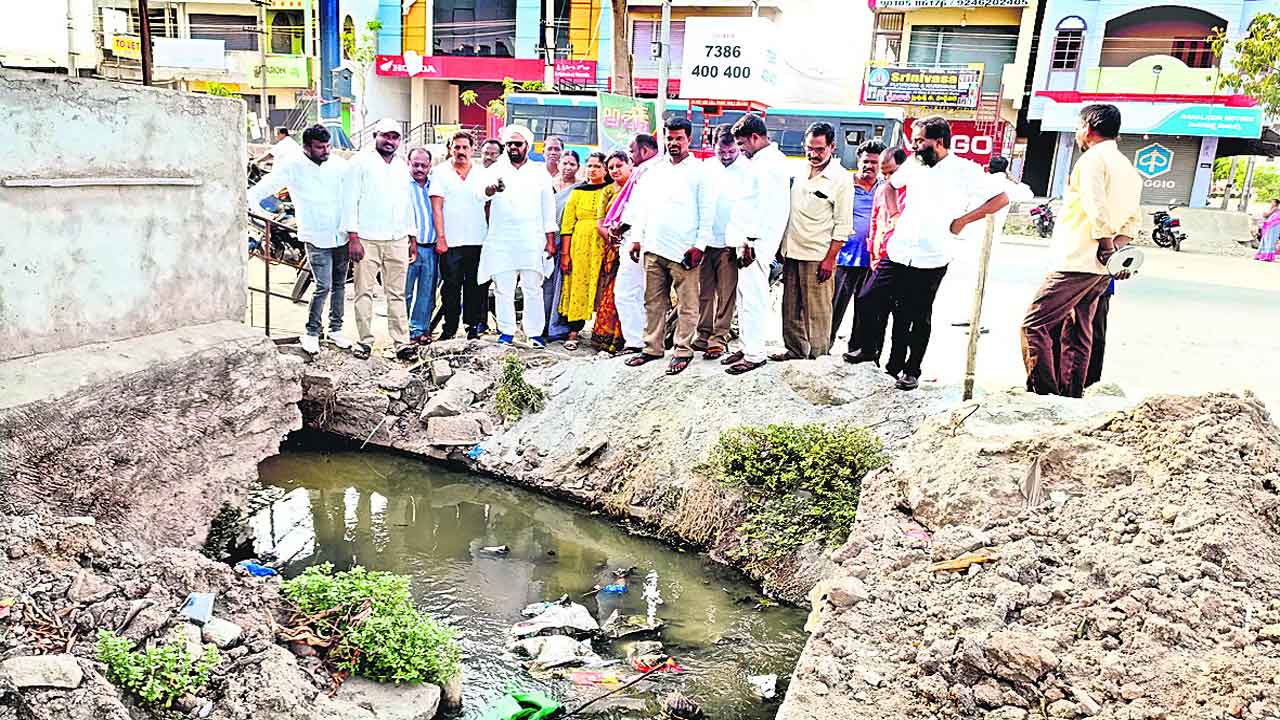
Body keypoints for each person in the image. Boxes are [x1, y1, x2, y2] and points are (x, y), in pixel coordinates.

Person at [846, 116, 1009, 391]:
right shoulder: (914, 164)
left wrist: (964, 220)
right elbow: (889, 186)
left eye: (920, 141)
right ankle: (868, 350)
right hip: (899, 251)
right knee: (868, 298)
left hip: (933, 255)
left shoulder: (965, 171)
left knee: (917, 316)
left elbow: (1001, 198)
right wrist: (894, 213)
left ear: (939, 142)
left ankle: (911, 371)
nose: (915, 146)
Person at [1020, 104, 1140, 398]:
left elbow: (1095, 205)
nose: (1077, 132)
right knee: (1078, 331)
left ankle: (1044, 394)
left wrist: (1105, 244)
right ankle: (1070, 395)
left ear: (1088, 127)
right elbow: (1134, 218)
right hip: (1101, 267)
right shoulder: (1128, 168)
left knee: (1034, 325)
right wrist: (1115, 250)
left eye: (1078, 126)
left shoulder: (1092, 161)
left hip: (1078, 259)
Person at [247, 124, 351, 355]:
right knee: (322, 286)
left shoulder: (340, 165)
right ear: (306, 147)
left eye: (328, 146)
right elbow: (257, 192)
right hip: (315, 236)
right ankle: (311, 332)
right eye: (319, 147)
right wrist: (264, 215)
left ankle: (336, 330)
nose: (325, 151)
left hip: (341, 235)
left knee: (339, 286)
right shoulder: (292, 167)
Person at [623, 117, 714, 375]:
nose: (673, 143)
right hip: (653, 245)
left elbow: (707, 212)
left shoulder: (700, 171)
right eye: (669, 138)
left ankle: (683, 349)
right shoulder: (656, 170)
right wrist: (637, 239)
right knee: (652, 301)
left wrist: (699, 246)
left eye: (679, 138)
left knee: (687, 302)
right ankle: (652, 347)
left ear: (689, 140)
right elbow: (643, 207)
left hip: (684, 249)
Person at [772, 122, 854, 362]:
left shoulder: (840, 179)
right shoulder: (798, 171)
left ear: (831, 147)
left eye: (819, 149)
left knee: (818, 312)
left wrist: (830, 259)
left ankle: (820, 358)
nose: (813, 154)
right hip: (791, 251)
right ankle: (795, 351)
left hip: (818, 256)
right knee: (790, 308)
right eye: (810, 148)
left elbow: (843, 225)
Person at [722, 113, 793, 375]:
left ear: (755, 138)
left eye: (742, 145)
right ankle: (746, 345)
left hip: (756, 241)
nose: (740, 151)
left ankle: (755, 354)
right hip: (747, 240)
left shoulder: (771, 164)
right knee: (744, 295)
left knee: (753, 297)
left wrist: (750, 240)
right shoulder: (762, 161)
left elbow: (767, 207)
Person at [476, 125, 557, 346]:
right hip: (502, 238)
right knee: (504, 287)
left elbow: (548, 207)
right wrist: (491, 189)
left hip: (532, 238)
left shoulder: (539, 172)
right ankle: (506, 331)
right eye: (509, 143)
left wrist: (550, 240)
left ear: (527, 146)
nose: (513, 147)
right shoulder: (495, 169)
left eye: (518, 143)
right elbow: (480, 194)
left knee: (532, 287)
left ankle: (533, 334)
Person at [343, 118, 417, 360]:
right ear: (375, 135)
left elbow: (406, 204)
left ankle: (401, 343)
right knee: (364, 292)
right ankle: (364, 341)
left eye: (395, 137)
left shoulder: (400, 166)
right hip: (367, 238)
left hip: (397, 238)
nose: (390, 141)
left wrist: (411, 236)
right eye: (386, 136)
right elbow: (349, 200)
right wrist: (353, 237)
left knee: (397, 293)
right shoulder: (359, 163)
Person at [692, 126, 750, 361]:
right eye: (721, 152)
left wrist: (744, 241)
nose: (726, 156)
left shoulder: (747, 170)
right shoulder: (705, 169)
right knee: (705, 292)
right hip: (706, 241)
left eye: (730, 151)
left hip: (731, 242)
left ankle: (719, 337)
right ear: (712, 146)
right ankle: (703, 334)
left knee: (727, 294)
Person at [846, 146, 907, 367]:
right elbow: (875, 221)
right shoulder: (883, 189)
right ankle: (869, 353)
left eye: (891, 172)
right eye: (885, 172)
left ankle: (896, 365)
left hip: (904, 260)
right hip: (879, 258)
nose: (886, 177)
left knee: (901, 317)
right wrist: (873, 249)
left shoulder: (914, 190)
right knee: (869, 303)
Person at [431, 131, 491, 340]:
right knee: (450, 288)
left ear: (472, 150)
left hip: (478, 239)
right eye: (457, 147)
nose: (461, 151)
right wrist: (441, 237)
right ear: (450, 149)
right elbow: (437, 207)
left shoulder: (482, 173)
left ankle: (472, 328)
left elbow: (488, 205)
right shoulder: (440, 172)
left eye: (465, 147)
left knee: (475, 286)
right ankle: (449, 329)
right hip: (451, 241)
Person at [605, 133, 662, 354]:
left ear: (645, 151)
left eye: (632, 151)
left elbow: (639, 208)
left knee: (628, 292)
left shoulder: (649, 172)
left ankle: (637, 342)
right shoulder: (647, 170)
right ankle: (642, 341)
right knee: (639, 292)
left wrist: (621, 227)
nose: (630, 155)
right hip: (640, 238)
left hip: (639, 240)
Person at [830, 140, 885, 349]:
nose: (869, 166)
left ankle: (856, 351)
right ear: (858, 160)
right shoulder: (844, 185)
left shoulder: (885, 187)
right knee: (834, 308)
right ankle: (823, 350)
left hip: (872, 259)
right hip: (843, 257)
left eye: (874, 163)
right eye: (866, 161)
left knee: (866, 310)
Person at [558, 152, 611, 351]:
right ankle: (574, 332)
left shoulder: (611, 189)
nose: (592, 170)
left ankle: (602, 334)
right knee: (578, 286)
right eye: (589, 166)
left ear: (605, 169)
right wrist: (565, 254)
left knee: (603, 285)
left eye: (597, 166)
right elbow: (567, 225)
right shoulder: (578, 192)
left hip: (604, 244)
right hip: (579, 246)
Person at [592, 151, 633, 354]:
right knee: (612, 294)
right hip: (612, 248)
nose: (615, 170)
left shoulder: (637, 187)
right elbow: (600, 223)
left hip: (634, 245)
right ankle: (609, 338)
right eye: (611, 168)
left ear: (629, 165)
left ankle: (630, 337)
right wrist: (613, 239)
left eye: (619, 165)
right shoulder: (608, 191)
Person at [542, 150, 582, 343]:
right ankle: (540, 325)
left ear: (578, 167)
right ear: (558, 164)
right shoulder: (547, 185)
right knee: (544, 285)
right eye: (564, 163)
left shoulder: (581, 188)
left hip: (569, 243)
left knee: (564, 285)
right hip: (547, 241)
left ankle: (559, 327)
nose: (567, 167)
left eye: (572, 164)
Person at [405, 147, 437, 344]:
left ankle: (419, 330)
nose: (419, 168)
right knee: (404, 292)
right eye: (415, 164)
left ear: (429, 166)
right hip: (407, 248)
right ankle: (401, 332)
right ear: (408, 163)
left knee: (426, 292)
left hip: (432, 247)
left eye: (423, 165)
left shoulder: (435, 186)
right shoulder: (401, 186)